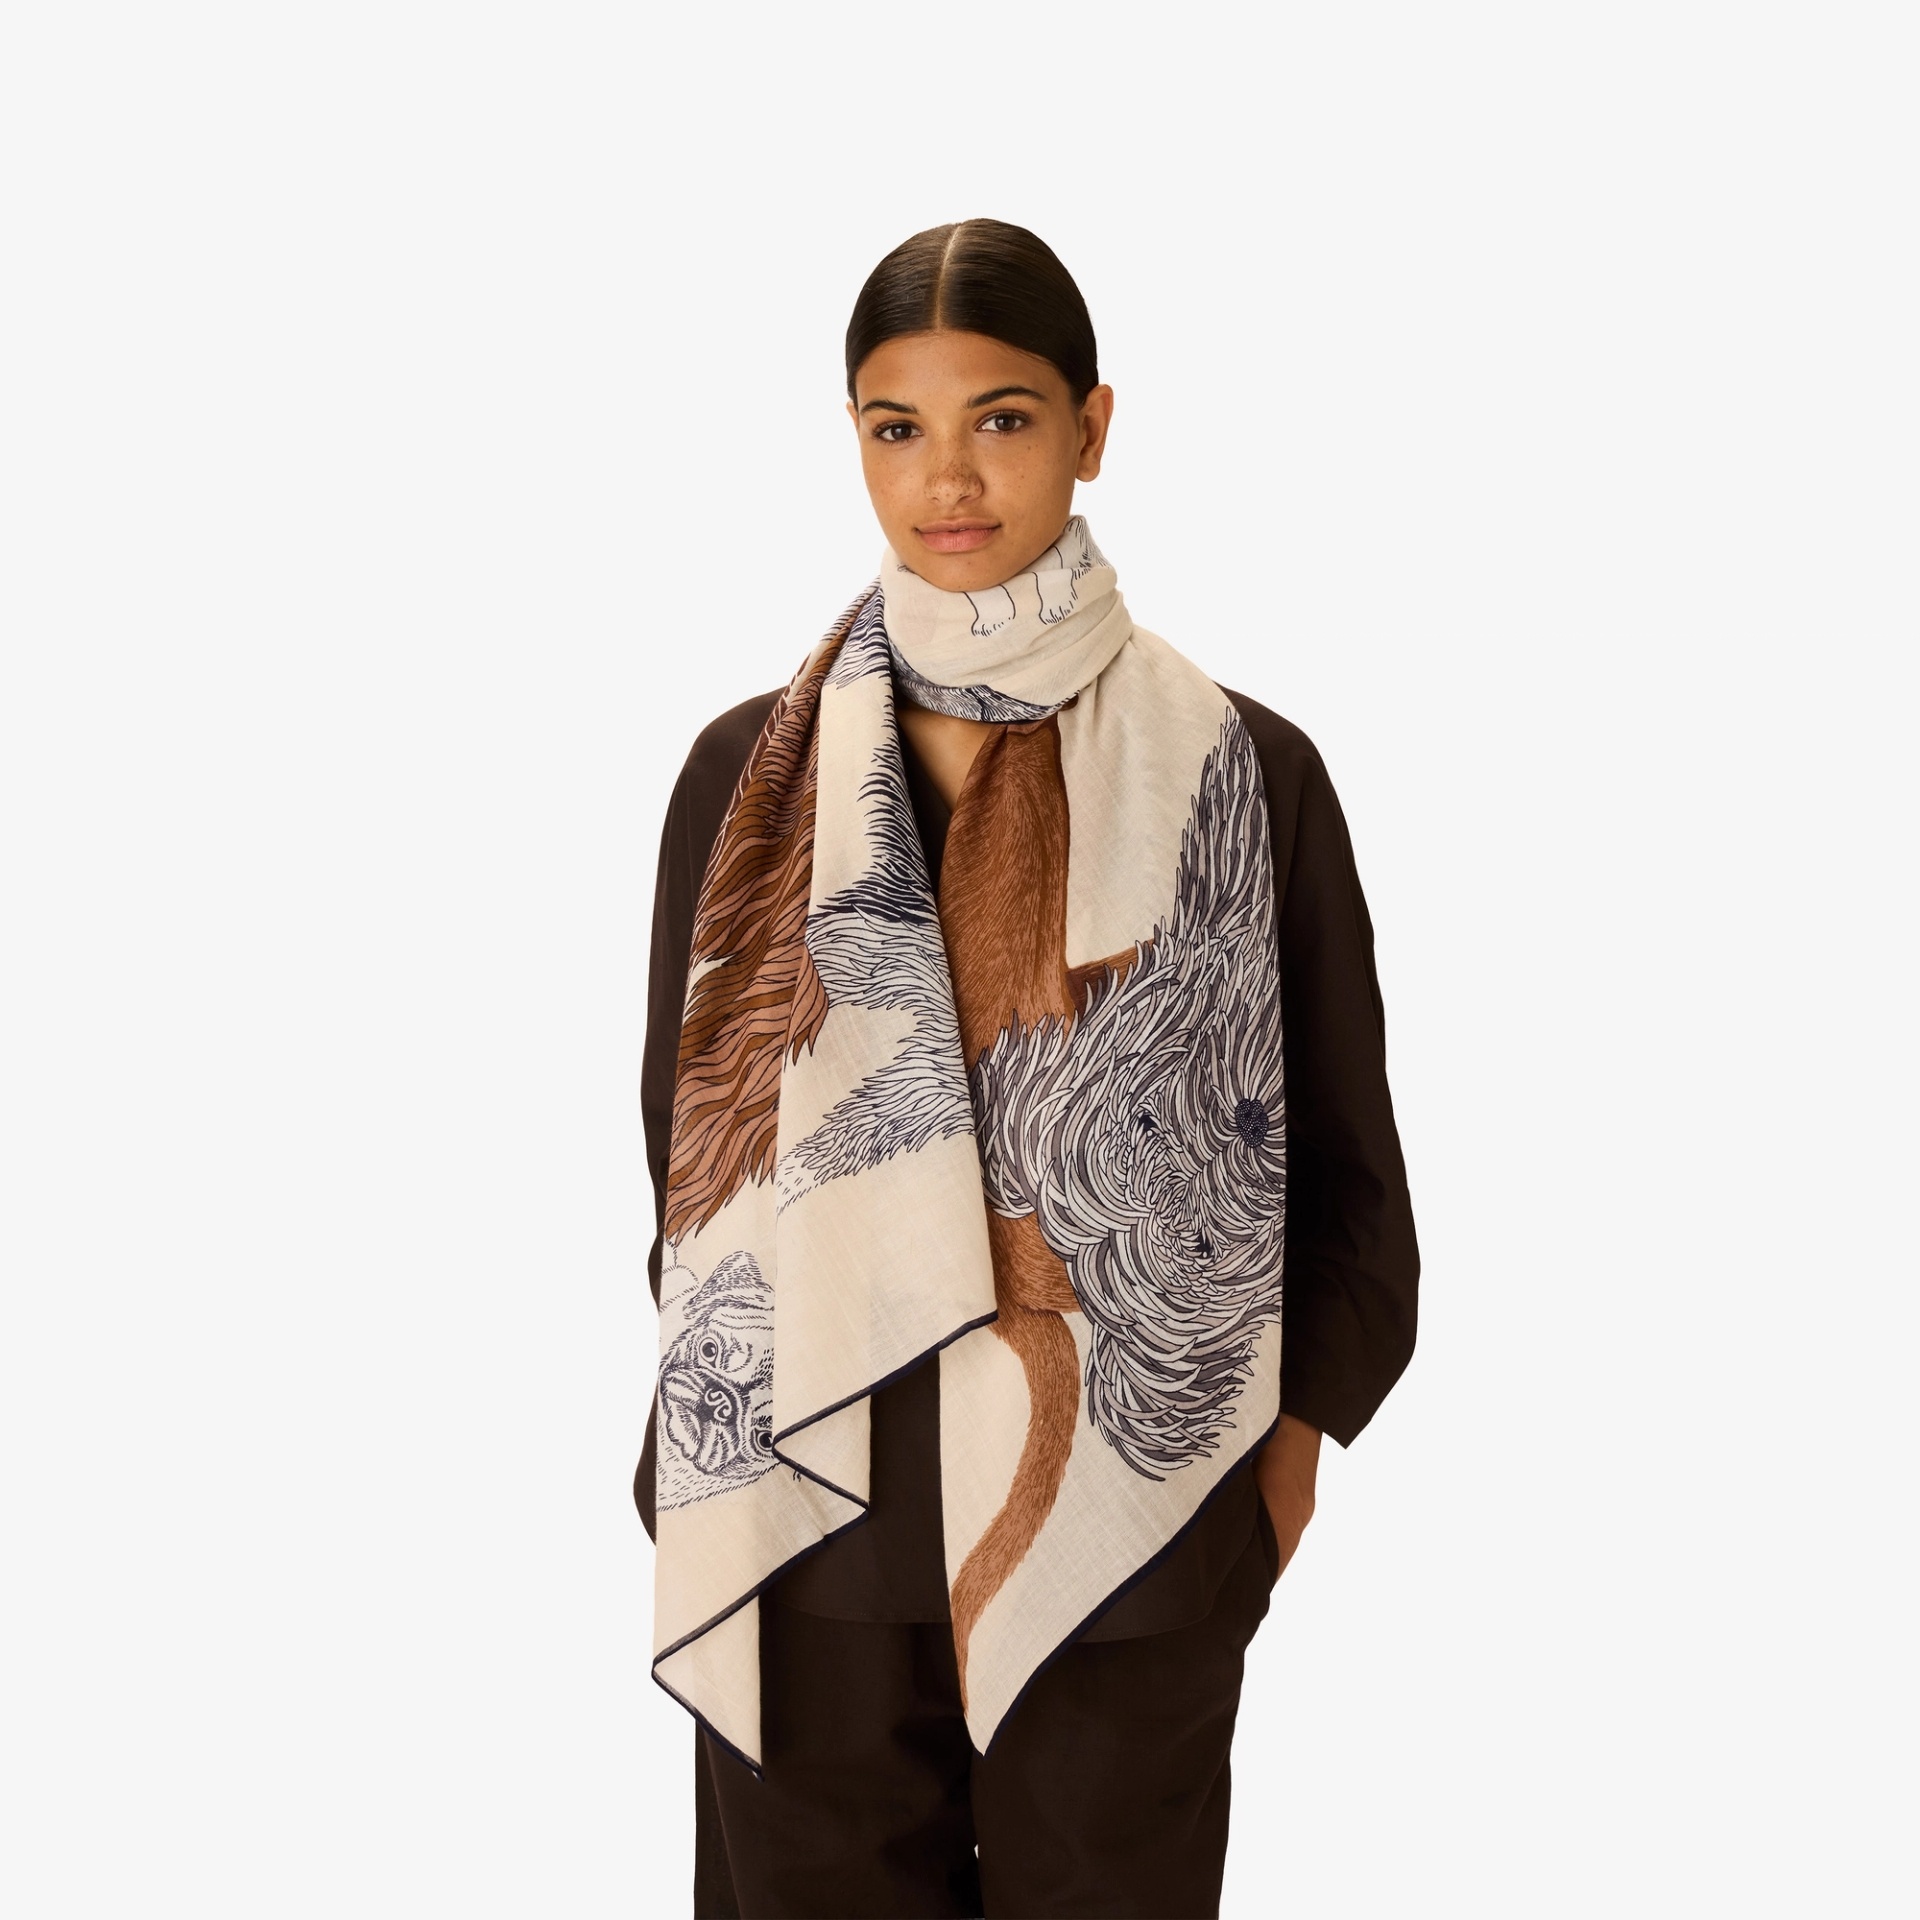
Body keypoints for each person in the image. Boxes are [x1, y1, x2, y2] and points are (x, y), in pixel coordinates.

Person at [635, 218, 1419, 1920]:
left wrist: (1278, 1461)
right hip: (813, 1502)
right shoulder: (746, 776)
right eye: (895, 426)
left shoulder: (1243, 771)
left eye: (1000, 418)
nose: (948, 477)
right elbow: (685, 1158)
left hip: (1129, 1516)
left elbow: (1348, 1164)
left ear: (1092, 427)